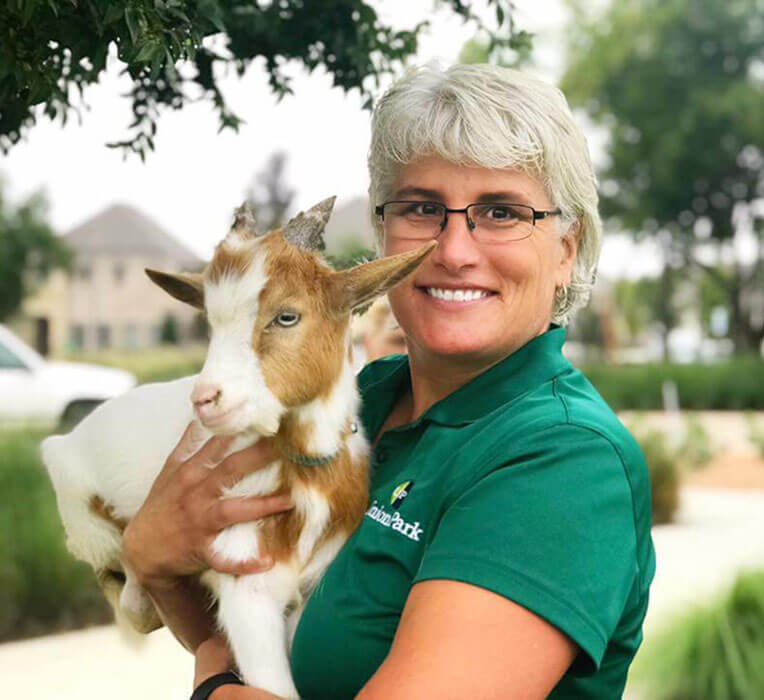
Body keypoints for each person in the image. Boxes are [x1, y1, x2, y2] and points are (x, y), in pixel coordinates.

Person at [122, 62, 655, 699]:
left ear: (566, 250)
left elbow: (226, 667)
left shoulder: (565, 463)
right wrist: (158, 561)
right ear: (383, 234)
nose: (456, 250)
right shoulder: (360, 403)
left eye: (502, 211)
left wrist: (214, 687)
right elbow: (256, 631)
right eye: (424, 208)